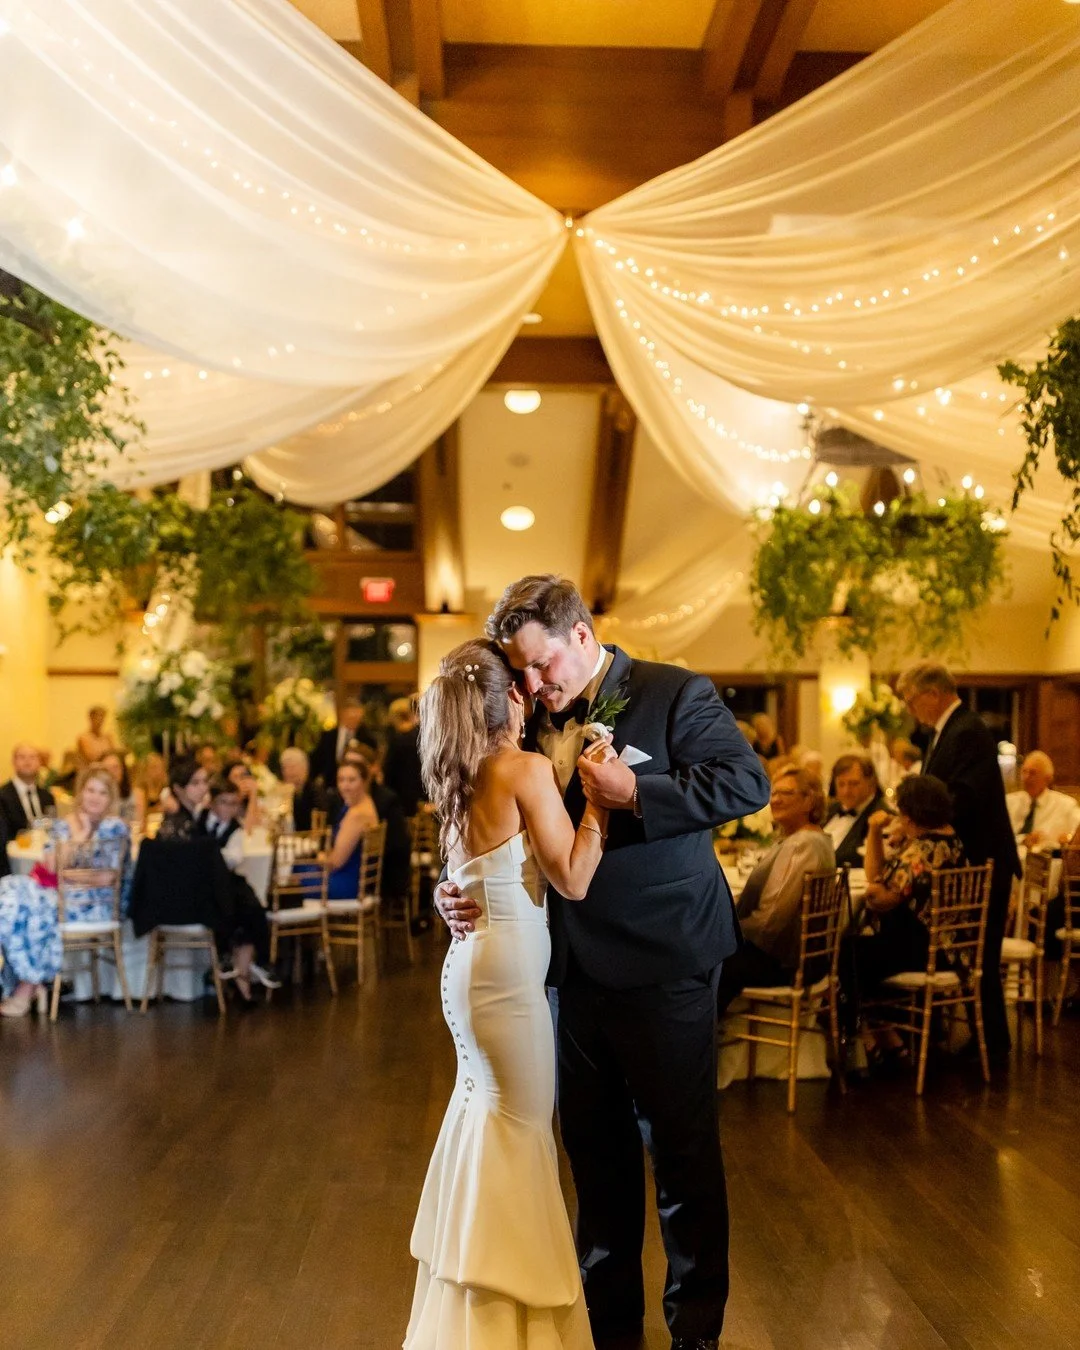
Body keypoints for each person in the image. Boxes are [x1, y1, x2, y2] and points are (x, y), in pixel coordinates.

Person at [436, 576, 771, 1350]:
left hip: (666, 962)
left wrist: (637, 790)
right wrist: (450, 890)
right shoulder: (517, 724)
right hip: (562, 974)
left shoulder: (676, 692)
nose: (533, 685)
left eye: (543, 665)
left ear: (582, 635)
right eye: (520, 673)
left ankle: (696, 1337)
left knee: (683, 1160)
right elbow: (486, 823)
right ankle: (611, 1334)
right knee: (595, 1163)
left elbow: (746, 784)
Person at [405, 638, 613, 1350]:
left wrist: (444, 893)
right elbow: (575, 877)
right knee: (519, 1137)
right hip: (504, 982)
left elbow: (469, 869)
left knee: (488, 1124)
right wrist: (601, 804)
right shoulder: (522, 768)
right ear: (514, 703)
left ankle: (485, 1321)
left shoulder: (458, 773)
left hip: (474, 973)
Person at [896, 661, 1019, 1058]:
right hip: (969, 861)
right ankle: (976, 1040)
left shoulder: (966, 730)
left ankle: (992, 1045)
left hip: (981, 860)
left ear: (932, 692)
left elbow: (962, 796)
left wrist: (921, 826)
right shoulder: (948, 731)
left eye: (911, 700)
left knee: (980, 957)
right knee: (973, 956)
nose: (910, 709)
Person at [842, 775, 966, 1058]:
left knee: (846, 954)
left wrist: (875, 886)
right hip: (947, 945)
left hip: (923, 949)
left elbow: (880, 898)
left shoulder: (922, 852)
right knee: (857, 954)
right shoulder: (950, 837)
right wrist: (876, 834)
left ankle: (863, 1039)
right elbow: (880, 879)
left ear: (910, 813)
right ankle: (884, 1034)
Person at [0, 766, 129, 1017]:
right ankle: (28, 979)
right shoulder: (65, 823)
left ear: (110, 798)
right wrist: (77, 836)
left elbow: (107, 877)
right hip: (60, 893)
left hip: (94, 903)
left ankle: (28, 986)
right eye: (90, 790)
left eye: (102, 793)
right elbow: (50, 864)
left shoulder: (114, 827)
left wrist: (70, 869)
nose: (95, 797)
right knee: (7, 895)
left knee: (34, 907)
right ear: (81, 792)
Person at [716, 767, 835, 1010]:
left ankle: (697, 1039)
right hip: (793, 957)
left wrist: (720, 932)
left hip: (780, 962)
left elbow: (770, 921)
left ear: (809, 800)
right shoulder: (815, 839)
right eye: (774, 792)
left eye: (786, 793)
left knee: (696, 960)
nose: (775, 799)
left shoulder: (803, 844)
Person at [326, 759, 380, 899]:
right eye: (341, 780)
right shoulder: (366, 803)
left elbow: (337, 862)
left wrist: (317, 857)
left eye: (351, 780)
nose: (345, 786)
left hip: (344, 883)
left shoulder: (357, 814)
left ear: (364, 781)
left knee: (293, 875)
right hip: (353, 881)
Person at [823, 754, 887, 869]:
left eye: (854, 784)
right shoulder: (828, 810)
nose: (846, 791)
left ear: (871, 783)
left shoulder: (882, 817)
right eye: (841, 784)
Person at [1006, 751, 1080, 850]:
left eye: (1033, 773)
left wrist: (1068, 839)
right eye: (1024, 771)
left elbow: (1075, 835)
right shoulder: (1009, 802)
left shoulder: (1065, 805)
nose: (1026, 778)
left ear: (1048, 778)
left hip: (1048, 861)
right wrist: (1023, 839)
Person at [311, 697, 377, 786]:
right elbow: (317, 760)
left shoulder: (367, 738)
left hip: (356, 786)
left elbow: (371, 763)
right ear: (343, 715)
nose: (355, 721)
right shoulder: (328, 736)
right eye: (351, 717)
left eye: (357, 718)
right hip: (330, 785)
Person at [0, 744, 56, 837]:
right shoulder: (3, 796)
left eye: (32, 757)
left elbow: (53, 828)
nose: (27, 761)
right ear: (13, 762)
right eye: (22, 757)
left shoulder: (47, 797)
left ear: (40, 763)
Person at [382, 696, 423, 817]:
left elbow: (389, 771)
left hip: (400, 795)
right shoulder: (421, 735)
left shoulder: (397, 740)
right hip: (420, 793)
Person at [279, 747, 327, 832]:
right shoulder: (296, 792)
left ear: (305, 768)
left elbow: (319, 826)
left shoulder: (315, 792)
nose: (287, 772)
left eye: (292, 767)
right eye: (284, 768)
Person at [100, 750, 145, 830]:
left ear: (123, 770)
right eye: (106, 769)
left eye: (115, 767)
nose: (111, 772)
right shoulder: (95, 798)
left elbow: (139, 825)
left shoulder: (136, 794)